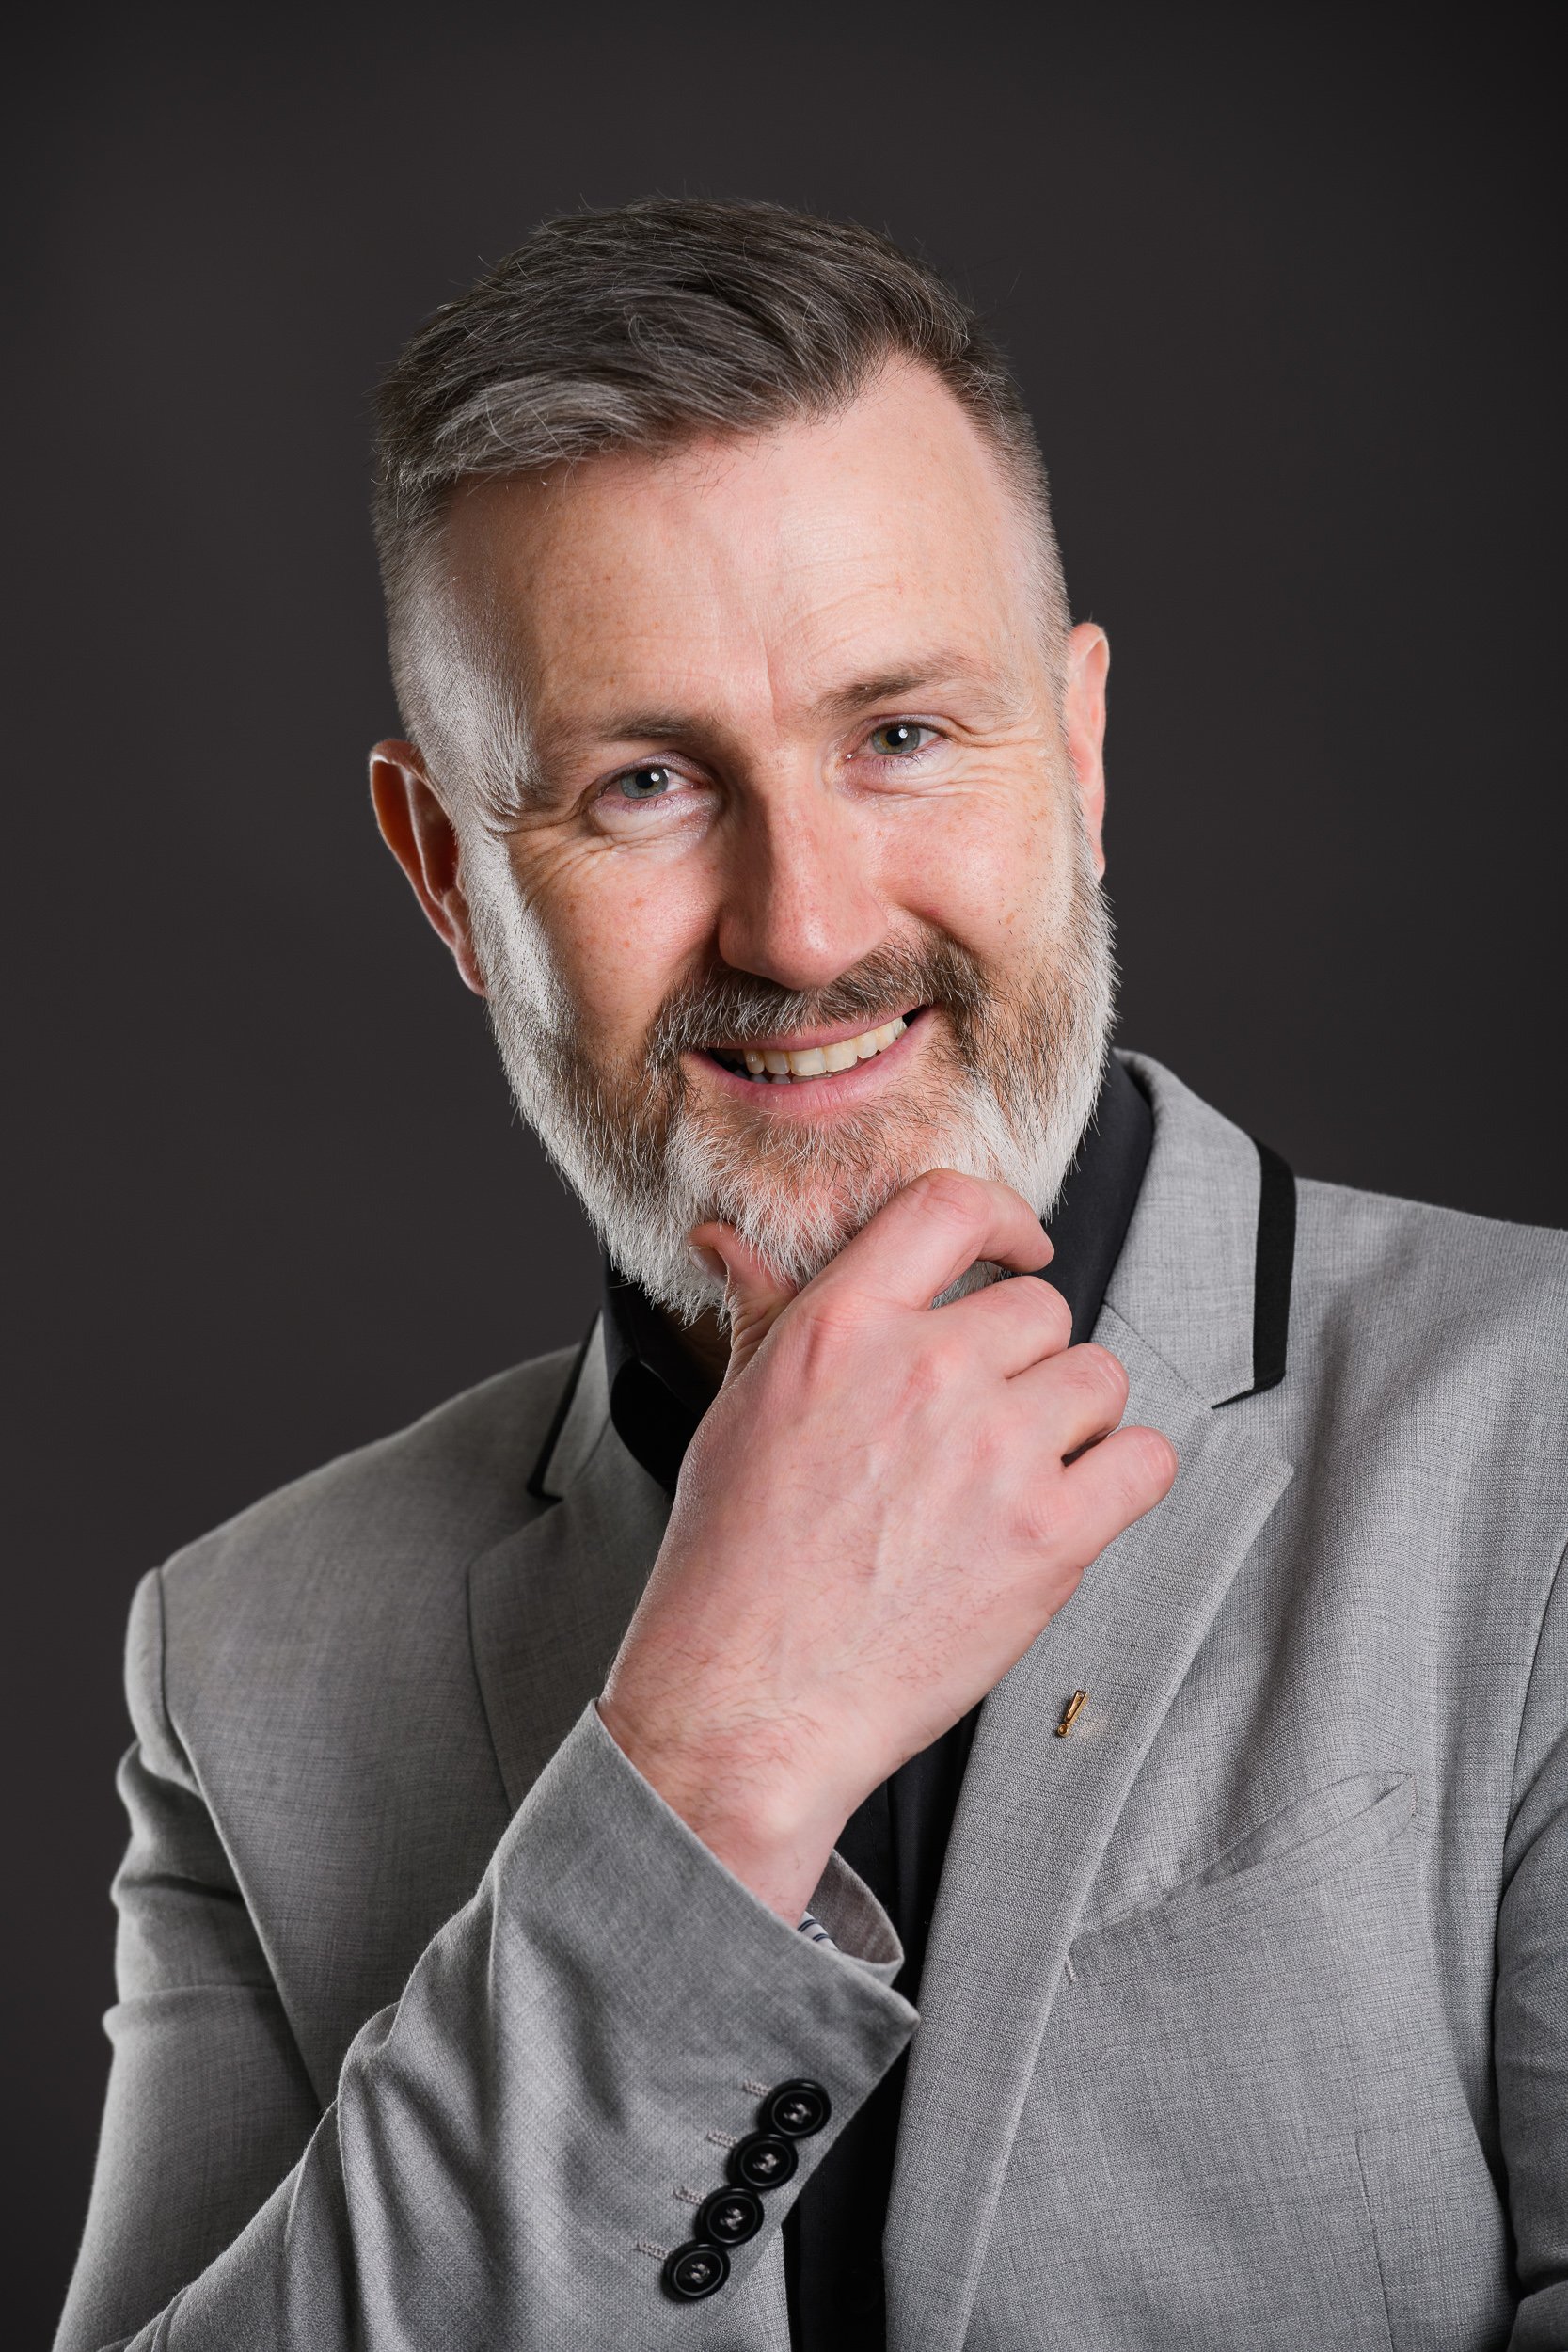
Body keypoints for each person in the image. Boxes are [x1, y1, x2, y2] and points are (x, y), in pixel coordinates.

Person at [56, 198, 1564, 2352]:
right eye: (647, 781)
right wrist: (703, 1771)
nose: (802, 923)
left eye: (904, 735)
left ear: (1082, 748)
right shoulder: (247, 1660)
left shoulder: (1544, 1444)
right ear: (447, 874)